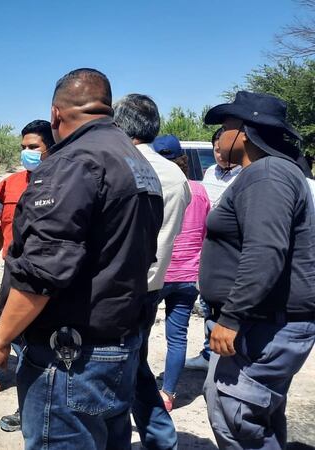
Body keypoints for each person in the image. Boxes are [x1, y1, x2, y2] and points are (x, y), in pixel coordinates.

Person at [0, 68, 164, 449]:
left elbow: (44, 269)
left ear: (55, 115)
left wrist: (0, 340)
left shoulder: (75, 162)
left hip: (70, 359)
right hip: (118, 346)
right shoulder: (135, 161)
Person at [199, 91, 315, 450]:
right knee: (255, 414)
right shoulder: (269, 173)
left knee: (237, 416)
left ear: (244, 132)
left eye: (226, 126)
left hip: (262, 324)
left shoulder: (267, 174)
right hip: (262, 321)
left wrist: (232, 318)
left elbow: (265, 251)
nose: (221, 135)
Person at [114, 94, 190, 450]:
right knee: (136, 365)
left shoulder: (119, 164)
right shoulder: (175, 173)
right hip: (153, 285)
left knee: (113, 371)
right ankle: (161, 438)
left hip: (118, 290)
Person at [0, 119, 55, 432]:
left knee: (43, 345)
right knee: (20, 343)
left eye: (33, 147)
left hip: (45, 275)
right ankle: (27, 409)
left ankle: (42, 412)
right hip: (14, 270)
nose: (26, 153)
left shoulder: (63, 182)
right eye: (23, 147)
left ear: (50, 148)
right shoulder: (11, 182)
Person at [151, 134, 211, 411]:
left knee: (138, 333)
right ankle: (169, 394)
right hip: (189, 275)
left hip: (158, 273)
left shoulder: (154, 189)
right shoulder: (199, 190)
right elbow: (207, 232)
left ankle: (135, 387)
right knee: (178, 336)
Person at [186, 128, 244, 371]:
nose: (219, 154)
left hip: (230, 247)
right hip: (206, 242)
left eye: (222, 149)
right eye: (216, 149)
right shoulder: (209, 172)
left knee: (226, 301)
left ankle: (231, 355)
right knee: (207, 301)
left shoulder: (244, 175)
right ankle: (209, 352)